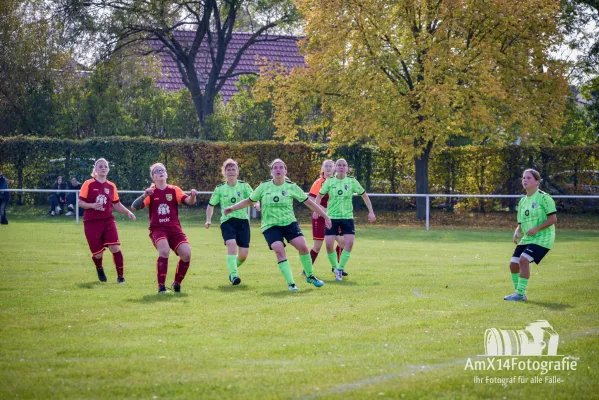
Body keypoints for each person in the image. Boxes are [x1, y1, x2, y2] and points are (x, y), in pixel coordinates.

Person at [224, 158, 331, 291]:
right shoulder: (264, 186)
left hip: (289, 223)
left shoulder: (291, 186)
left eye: (281, 167)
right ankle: (291, 284)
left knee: (303, 247)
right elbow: (249, 200)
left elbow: (309, 203)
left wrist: (325, 216)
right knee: (279, 249)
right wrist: (232, 208)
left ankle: (310, 276)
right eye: (275, 168)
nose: (278, 169)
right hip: (270, 226)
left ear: (285, 171)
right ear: (271, 172)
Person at [131, 163, 198, 294]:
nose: (160, 172)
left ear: (166, 174)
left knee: (187, 253)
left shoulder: (174, 190)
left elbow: (189, 201)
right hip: (158, 229)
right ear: (153, 177)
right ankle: (161, 287)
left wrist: (193, 195)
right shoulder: (151, 192)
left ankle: (176, 283)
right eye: (157, 171)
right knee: (164, 251)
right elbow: (134, 207)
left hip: (174, 229)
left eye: (162, 170)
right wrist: (144, 195)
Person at [315, 158, 376, 281]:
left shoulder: (352, 181)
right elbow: (319, 196)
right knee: (328, 245)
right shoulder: (329, 182)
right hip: (331, 217)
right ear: (335, 168)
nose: (342, 167)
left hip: (347, 217)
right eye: (339, 165)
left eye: (344, 165)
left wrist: (371, 211)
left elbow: (364, 194)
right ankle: (334, 267)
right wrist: (316, 211)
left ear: (347, 168)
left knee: (349, 243)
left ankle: (340, 269)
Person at [78, 158, 136, 283]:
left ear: (108, 169)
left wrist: (128, 212)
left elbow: (117, 204)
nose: (103, 168)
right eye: (100, 166)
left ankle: (121, 277)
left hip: (108, 221)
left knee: (115, 247)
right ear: (95, 169)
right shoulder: (88, 184)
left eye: (105, 166)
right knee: (98, 254)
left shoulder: (111, 186)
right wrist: (92, 205)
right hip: (91, 222)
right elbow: (80, 202)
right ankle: (99, 267)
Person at [505, 168, 557, 301]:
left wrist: (537, 228)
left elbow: (553, 219)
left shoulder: (544, 197)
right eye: (523, 178)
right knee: (513, 264)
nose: (525, 180)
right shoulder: (522, 201)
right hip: (528, 238)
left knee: (523, 259)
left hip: (543, 238)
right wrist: (517, 230)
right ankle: (518, 293)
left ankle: (520, 294)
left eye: (529, 178)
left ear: (537, 182)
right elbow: (521, 221)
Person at [205, 159, 259, 286]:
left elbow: (253, 198)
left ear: (237, 172)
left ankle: (232, 268)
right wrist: (208, 220)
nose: (231, 171)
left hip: (243, 222)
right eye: (228, 169)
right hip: (227, 221)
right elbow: (210, 205)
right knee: (231, 245)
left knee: (243, 255)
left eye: (233, 169)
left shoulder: (244, 186)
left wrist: (256, 204)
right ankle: (234, 276)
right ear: (224, 173)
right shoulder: (219, 189)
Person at [308, 159, 346, 275]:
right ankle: (307, 269)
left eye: (330, 166)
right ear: (322, 169)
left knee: (343, 242)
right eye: (326, 166)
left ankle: (337, 268)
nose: (329, 168)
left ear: (334, 168)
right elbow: (311, 200)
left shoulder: (338, 182)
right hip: (320, 218)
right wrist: (321, 210)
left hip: (335, 218)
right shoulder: (319, 182)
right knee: (317, 246)